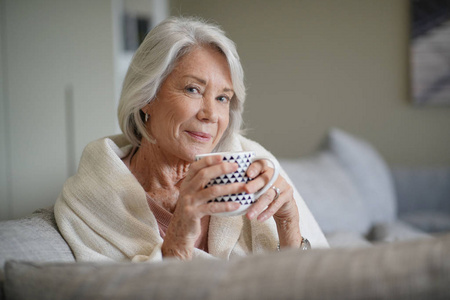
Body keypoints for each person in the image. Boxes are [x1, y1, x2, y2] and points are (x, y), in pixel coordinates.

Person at [55, 16, 328, 262]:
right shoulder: (91, 198)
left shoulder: (254, 161)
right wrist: (178, 239)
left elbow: (320, 285)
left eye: (223, 98)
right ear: (147, 97)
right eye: (193, 89)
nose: (211, 114)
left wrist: (288, 225)